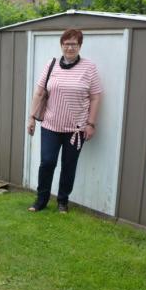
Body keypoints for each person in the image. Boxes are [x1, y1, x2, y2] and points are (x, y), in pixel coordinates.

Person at [26, 29, 103, 213]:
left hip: (76, 130)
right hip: (50, 126)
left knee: (69, 166)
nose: (70, 47)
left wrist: (91, 124)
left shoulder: (89, 67)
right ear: (61, 45)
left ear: (80, 46)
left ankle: (63, 201)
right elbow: (39, 93)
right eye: (66, 44)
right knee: (47, 162)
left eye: (74, 44)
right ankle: (41, 200)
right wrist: (31, 118)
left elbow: (96, 97)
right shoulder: (51, 65)